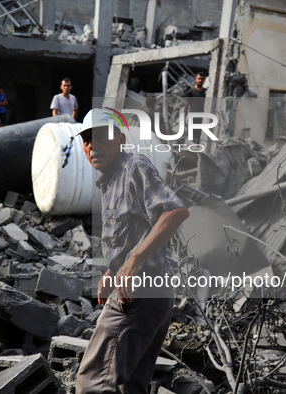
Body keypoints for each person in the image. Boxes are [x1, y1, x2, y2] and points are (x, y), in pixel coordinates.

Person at [75, 109, 190, 393]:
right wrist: (113, 270)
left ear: (121, 140)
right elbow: (132, 233)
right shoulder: (110, 179)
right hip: (153, 296)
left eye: (101, 136)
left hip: (139, 294)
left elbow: (174, 212)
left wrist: (133, 261)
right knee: (131, 386)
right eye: (87, 140)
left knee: (93, 384)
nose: (93, 146)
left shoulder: (133, 166)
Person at [184, 72, 207, 143]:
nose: (200, 80)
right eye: (199, 79)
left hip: (201, 118)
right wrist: (184, 119)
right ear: (196, 79)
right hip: (192, 117)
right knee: (190, 137)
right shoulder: (191, 92)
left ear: (204, 80)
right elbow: (186, 106)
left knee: (198, 137)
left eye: (202, 79)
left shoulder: (205, 92)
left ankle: (196, 152)